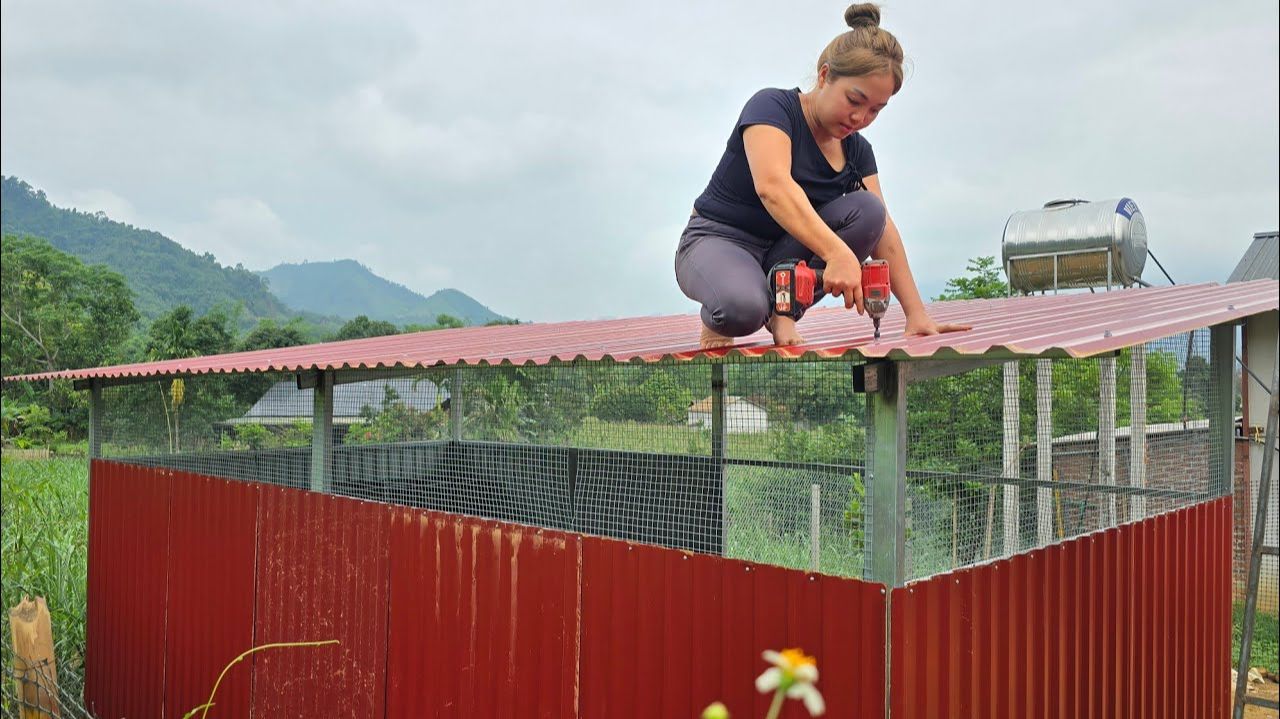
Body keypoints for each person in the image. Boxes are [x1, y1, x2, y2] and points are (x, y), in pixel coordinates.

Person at [675, 3, 970, 349]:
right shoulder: (772, 109)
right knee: (741, 309)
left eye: (876, 109)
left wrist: (915, 313)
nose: (861, 117)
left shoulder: (857, 152)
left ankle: (783, 312)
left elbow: (882, 230)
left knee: (869, 211)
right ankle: (727, 308)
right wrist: (838, 254)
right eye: (854, 100)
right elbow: (773, 188)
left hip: (781, 253)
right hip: (719, 240)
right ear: (824, 75)